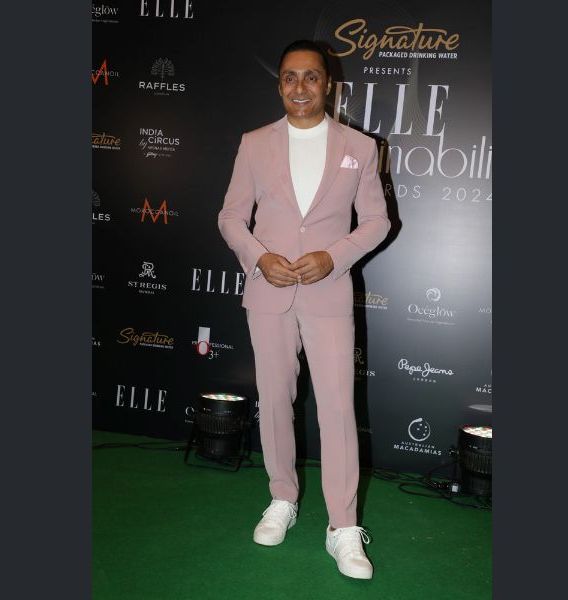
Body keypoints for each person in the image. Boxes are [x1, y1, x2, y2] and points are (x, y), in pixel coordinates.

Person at [217, 39, 390, 580]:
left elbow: (377, 221)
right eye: (290, 77)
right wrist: (259, 258)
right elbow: (230, 216)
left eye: (311, 76)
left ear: (328, 84)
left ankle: (343, 526)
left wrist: (334, 257)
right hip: (268, 293)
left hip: (328, 294)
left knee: (337, 408)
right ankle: (282, 498)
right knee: (274, 402)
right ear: (279, 85)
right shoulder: (254, 143)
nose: (300, 87)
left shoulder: (360, 147)